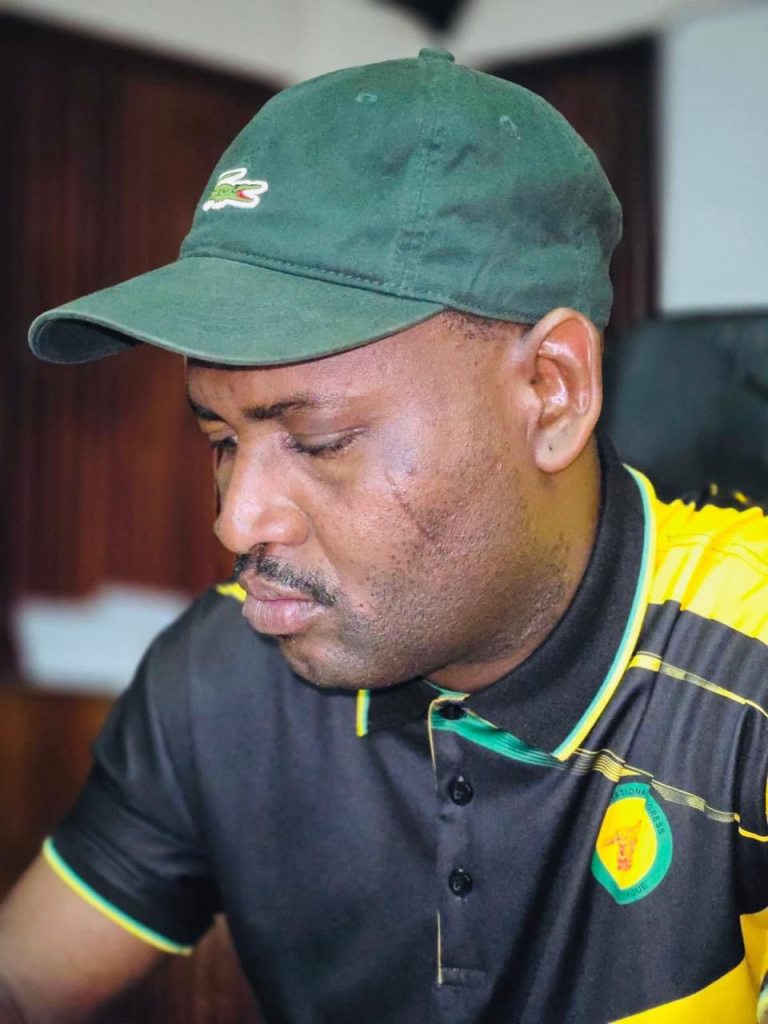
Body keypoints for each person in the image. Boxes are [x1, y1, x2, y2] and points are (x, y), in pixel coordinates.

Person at [1, 46, 767, 1024]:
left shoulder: (745, 685)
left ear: (551, 392)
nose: (236, 519)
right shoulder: (222, 674)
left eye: (320, 440)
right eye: (221, 439)